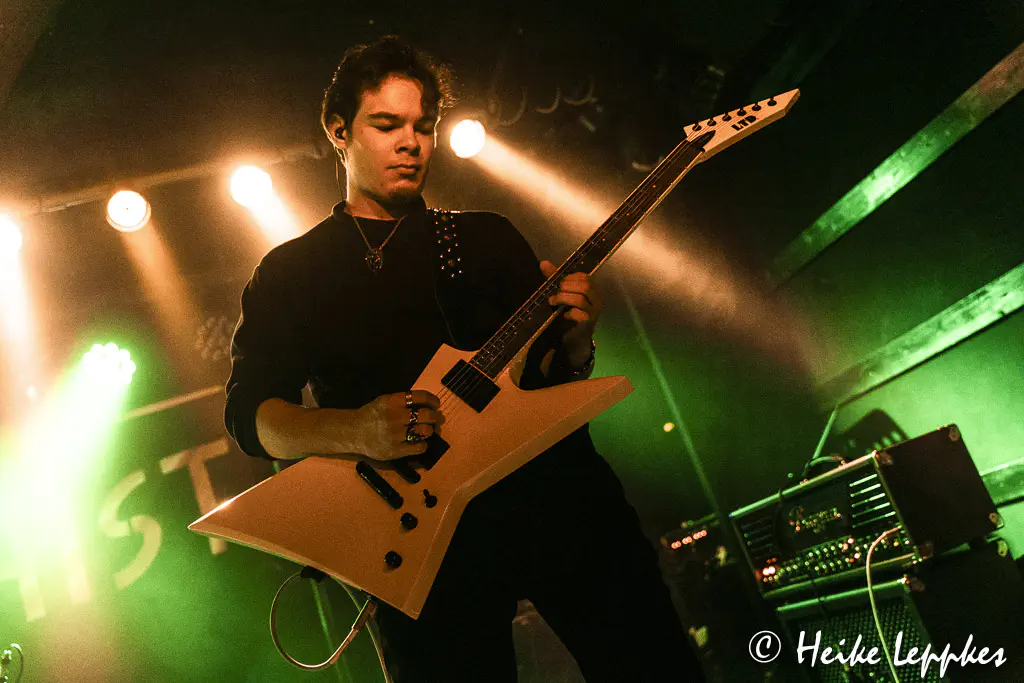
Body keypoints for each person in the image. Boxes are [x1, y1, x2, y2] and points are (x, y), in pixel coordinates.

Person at [224, 35, 704, 683]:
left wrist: (576, 340)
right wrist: (357, 428)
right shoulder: (291, 272)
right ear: (339, 130)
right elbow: (251, 416)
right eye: (386, 125)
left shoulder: (484, 237)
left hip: (557, 502)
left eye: (423, 126)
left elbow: (551, 379)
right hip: (420, 541)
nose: (411, 142)